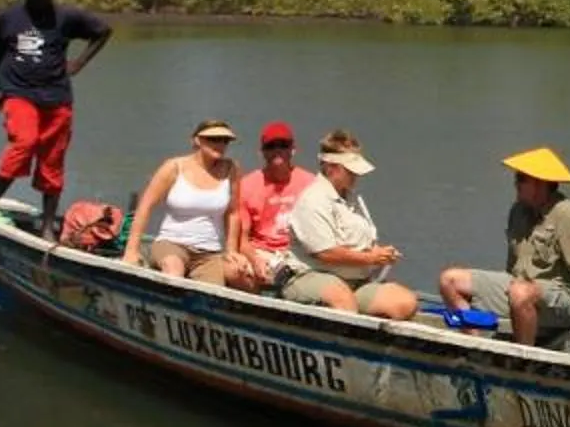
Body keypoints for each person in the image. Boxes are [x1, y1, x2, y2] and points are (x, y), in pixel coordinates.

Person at [438, 147, 570, 346]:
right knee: (450, 280)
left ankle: (525, 357)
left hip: (563, 300)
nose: (516, 184)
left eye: (521, 179)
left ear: (539, 184)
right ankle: (476, 345)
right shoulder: (518, 212)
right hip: (519, 288)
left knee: (520, 293)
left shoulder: (567, 215)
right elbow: (512, 267)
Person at [0, 0, 111, 233]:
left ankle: (49, 224)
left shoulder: (66, 17)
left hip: (56, 96)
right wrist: (0, 88)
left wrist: (80, 62)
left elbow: (104, 31)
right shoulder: (8, 18)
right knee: (24, 143)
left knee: (52, 159)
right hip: (18, 92)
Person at [279, 130, 422, 320]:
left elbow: (360, 243)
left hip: (355, 281)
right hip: (309, 275)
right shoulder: (313, 199)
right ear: (330, 167)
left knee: (405, 302)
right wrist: (371, 258)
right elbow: (326, 253)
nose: (356, 175)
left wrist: (381, 253)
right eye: (350, 170)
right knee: (342, 298)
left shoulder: (353, 199)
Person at [124, 119, 247, 284]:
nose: (220, 144)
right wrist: (131, 250)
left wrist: (231, 249)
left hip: (209, 252)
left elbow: (233, 212)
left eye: (225, 141)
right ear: (197, 140)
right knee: (174, 270)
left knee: (215, 290)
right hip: (172, 243)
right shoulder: (174, 167)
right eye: (214, 139)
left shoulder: (231, 169)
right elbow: (146, 206)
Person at [230, 121, 315, 292]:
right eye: (271, 146)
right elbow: (242, 240)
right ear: (261, 152)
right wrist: (255, 260)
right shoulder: (247, 185)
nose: (278, 150)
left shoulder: (311, 183)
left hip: (298, 251)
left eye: (283, 145)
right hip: (261, 251)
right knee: (236, 273)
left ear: (293, 149)